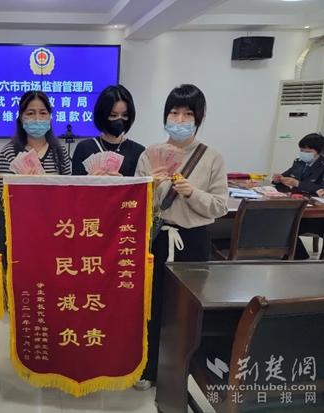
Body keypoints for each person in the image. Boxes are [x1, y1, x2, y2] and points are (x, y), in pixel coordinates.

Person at [134, 84, 228, 389]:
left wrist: (192, 192)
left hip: (193, 241)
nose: (180, 120)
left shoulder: (212, 158)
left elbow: (219, 206)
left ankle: (184, 370)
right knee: (153, 305)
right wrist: (150, 186)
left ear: (198, 118)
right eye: (174, 112)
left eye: (188, 114)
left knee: (187, 308)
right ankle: (148, 368)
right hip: (157, 239)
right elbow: (134, 205)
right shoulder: (149, 155)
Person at [0, 91, 72, 182]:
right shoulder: (9, 152)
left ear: (49, 116)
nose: (37, 119)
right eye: (31, 113)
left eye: (43, 113)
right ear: (21, 118)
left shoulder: (60, 151)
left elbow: (69, 188)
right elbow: (1, 190)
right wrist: (22, 183)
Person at [72, 85, 145, 176]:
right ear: (102, 115)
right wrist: (89, 182)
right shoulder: (84, 148)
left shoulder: (138, 151)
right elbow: (75, 183)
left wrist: (123, 182)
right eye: (113, 115)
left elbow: (141, 184)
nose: (119, 120)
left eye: (125, 115)